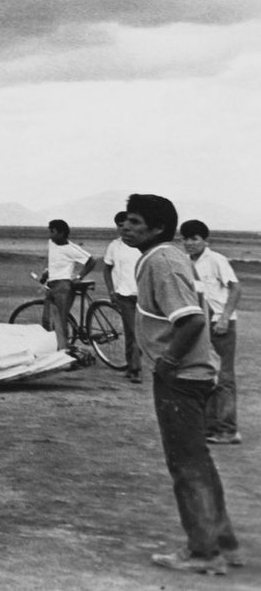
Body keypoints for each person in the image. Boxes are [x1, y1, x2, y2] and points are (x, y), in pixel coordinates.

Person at [123, 194, 240, 574]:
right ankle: (223, 544)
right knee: (198, 463)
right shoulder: (168, 257)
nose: (125, 226)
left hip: (182, 377)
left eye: (135, 222)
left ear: (157, 228)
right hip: (194, 374)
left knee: (186, 466)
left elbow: (190, 320)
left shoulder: (162, 262)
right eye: (125, 220)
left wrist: (168, 363)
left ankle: (204, 552)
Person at [181, 220, 242, 446]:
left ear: (205, 240)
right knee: (204, 375)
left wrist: (225, 318)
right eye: (185, 239)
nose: (189, 243)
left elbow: (235, 288)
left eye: (194, 238)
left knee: (224, 377)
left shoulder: (216, 259)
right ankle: (209, 427)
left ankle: (227, 429)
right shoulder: (185, 263)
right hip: (201, 325)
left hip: (221, 324)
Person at [101, 210, 142, 383]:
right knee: (131, 331)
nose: (123, 228)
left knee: (139, 332)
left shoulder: (141, 244)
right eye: (120, 226)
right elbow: (106, 269)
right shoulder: (114, 246)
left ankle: (133, 366)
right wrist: (111, 291)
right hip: (124, 295)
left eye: (126, 224)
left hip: (143, 295)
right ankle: (134, 368)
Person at [42, 219, 95, 355]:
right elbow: (55, 261)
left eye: (52, 232)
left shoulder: (71, 248)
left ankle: (65, 352)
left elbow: (91, 261)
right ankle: (54, 348)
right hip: (51, 284)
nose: (50, 235)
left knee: (60, 319)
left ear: (62, 233)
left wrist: (79, 277)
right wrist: (47, 272)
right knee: (47, 319)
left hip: (63, 286)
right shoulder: (52, 244)